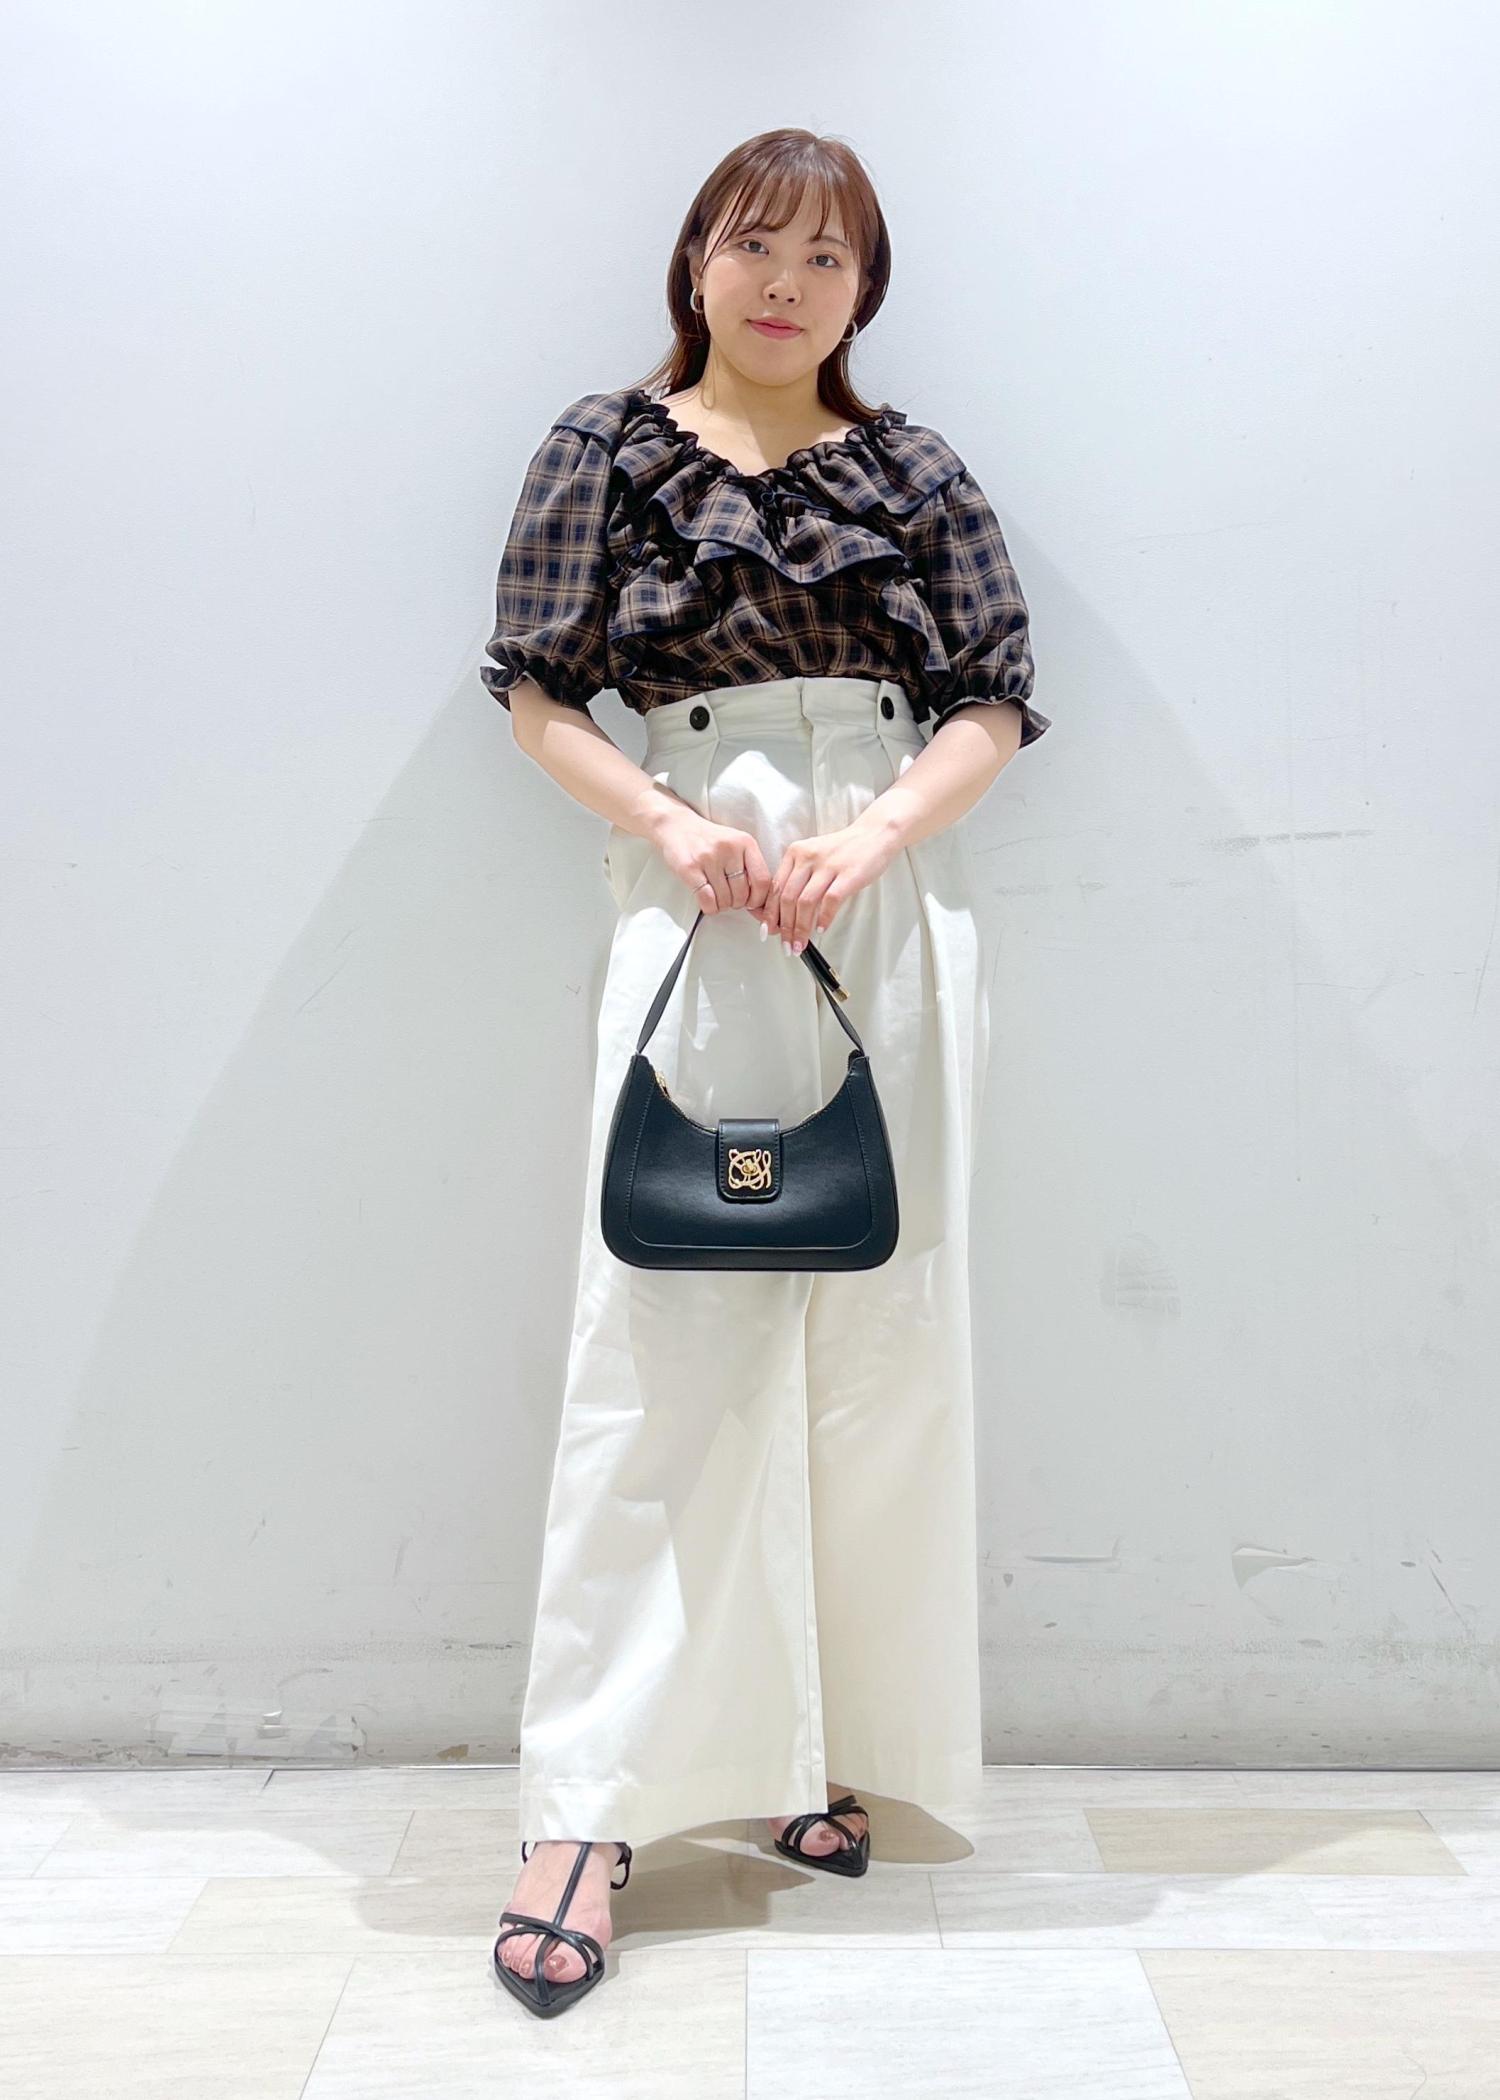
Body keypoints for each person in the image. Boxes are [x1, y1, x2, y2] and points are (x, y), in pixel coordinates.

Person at [481, 126, 1051, 2019]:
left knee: (881, 1344)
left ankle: (819, 1753)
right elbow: (535, 686)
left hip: (882, 893)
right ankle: (587, 1811)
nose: (787, 284)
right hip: (698, 882)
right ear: (696, 261)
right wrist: (668, 823)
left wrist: (872, 839)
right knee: (656, 1344)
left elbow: (993, 695)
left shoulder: (914, 468)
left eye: (827, 257)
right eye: (756, 245)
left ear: (864, 289)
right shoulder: (607, 449)